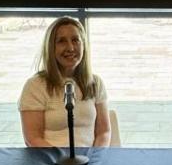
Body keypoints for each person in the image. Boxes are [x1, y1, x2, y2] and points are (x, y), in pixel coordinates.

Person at [19, 17, 111, 149]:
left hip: (89, 162)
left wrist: (95, 158)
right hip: (51, 162)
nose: (70, 47)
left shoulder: (96, 83)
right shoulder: (34, 86)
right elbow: (33, 139)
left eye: (75, 40)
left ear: (83, 45)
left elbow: (104, 132)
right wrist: (63, 161)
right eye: (62, 41)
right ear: (51, 48)